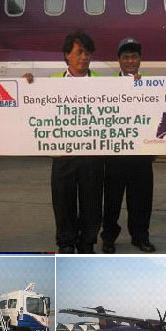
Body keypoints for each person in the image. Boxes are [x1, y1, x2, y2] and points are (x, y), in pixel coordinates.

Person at [25, 31, 103, 253]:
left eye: (88, 53)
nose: (84, 57)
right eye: (79, 53)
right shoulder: (52, 83)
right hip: (63, 155)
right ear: (67, 56)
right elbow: (34, 107)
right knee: (63, 201)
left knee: (92, 201)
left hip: (92, 155)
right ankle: (66, 243)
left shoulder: (103, 83)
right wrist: (25, 85)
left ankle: (87, 242)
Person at [101, 38, 155, 254]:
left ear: (140, 60)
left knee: (141, 199)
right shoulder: (106, 85)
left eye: (134, 56)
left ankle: (140, 237)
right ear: (119, 60)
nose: (130, 60)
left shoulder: (152, 85)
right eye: (126, 57)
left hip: (141, 154)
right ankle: (108, 238)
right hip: (115, 154)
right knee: (112, 200)